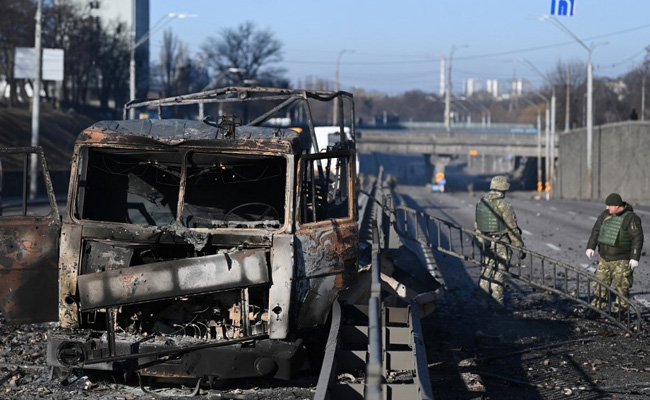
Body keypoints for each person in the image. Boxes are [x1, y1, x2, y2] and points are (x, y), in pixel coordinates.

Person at [586, 193, 644, 314]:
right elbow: (596, 231)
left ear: (617, 206)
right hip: (604, 258)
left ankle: (620, 312)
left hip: (622, 260)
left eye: (609, 205)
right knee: (600, 283)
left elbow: (637, 238)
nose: (607, 208)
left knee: (622, 286)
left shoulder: (630, 218)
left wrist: (634, 257)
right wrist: (590, 247)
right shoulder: (605, 215)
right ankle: (597, 308)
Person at [474, 175, 525, 306]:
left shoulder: (481, 202)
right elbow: (511, 228)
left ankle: (482, 304)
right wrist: (519, 246)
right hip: (501, 243)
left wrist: (480, 241)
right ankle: (497, 305)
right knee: (499, 274)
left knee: (485, 273)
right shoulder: (504, 205)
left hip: (485, 242)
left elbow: (477, 225)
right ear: (503, 189)